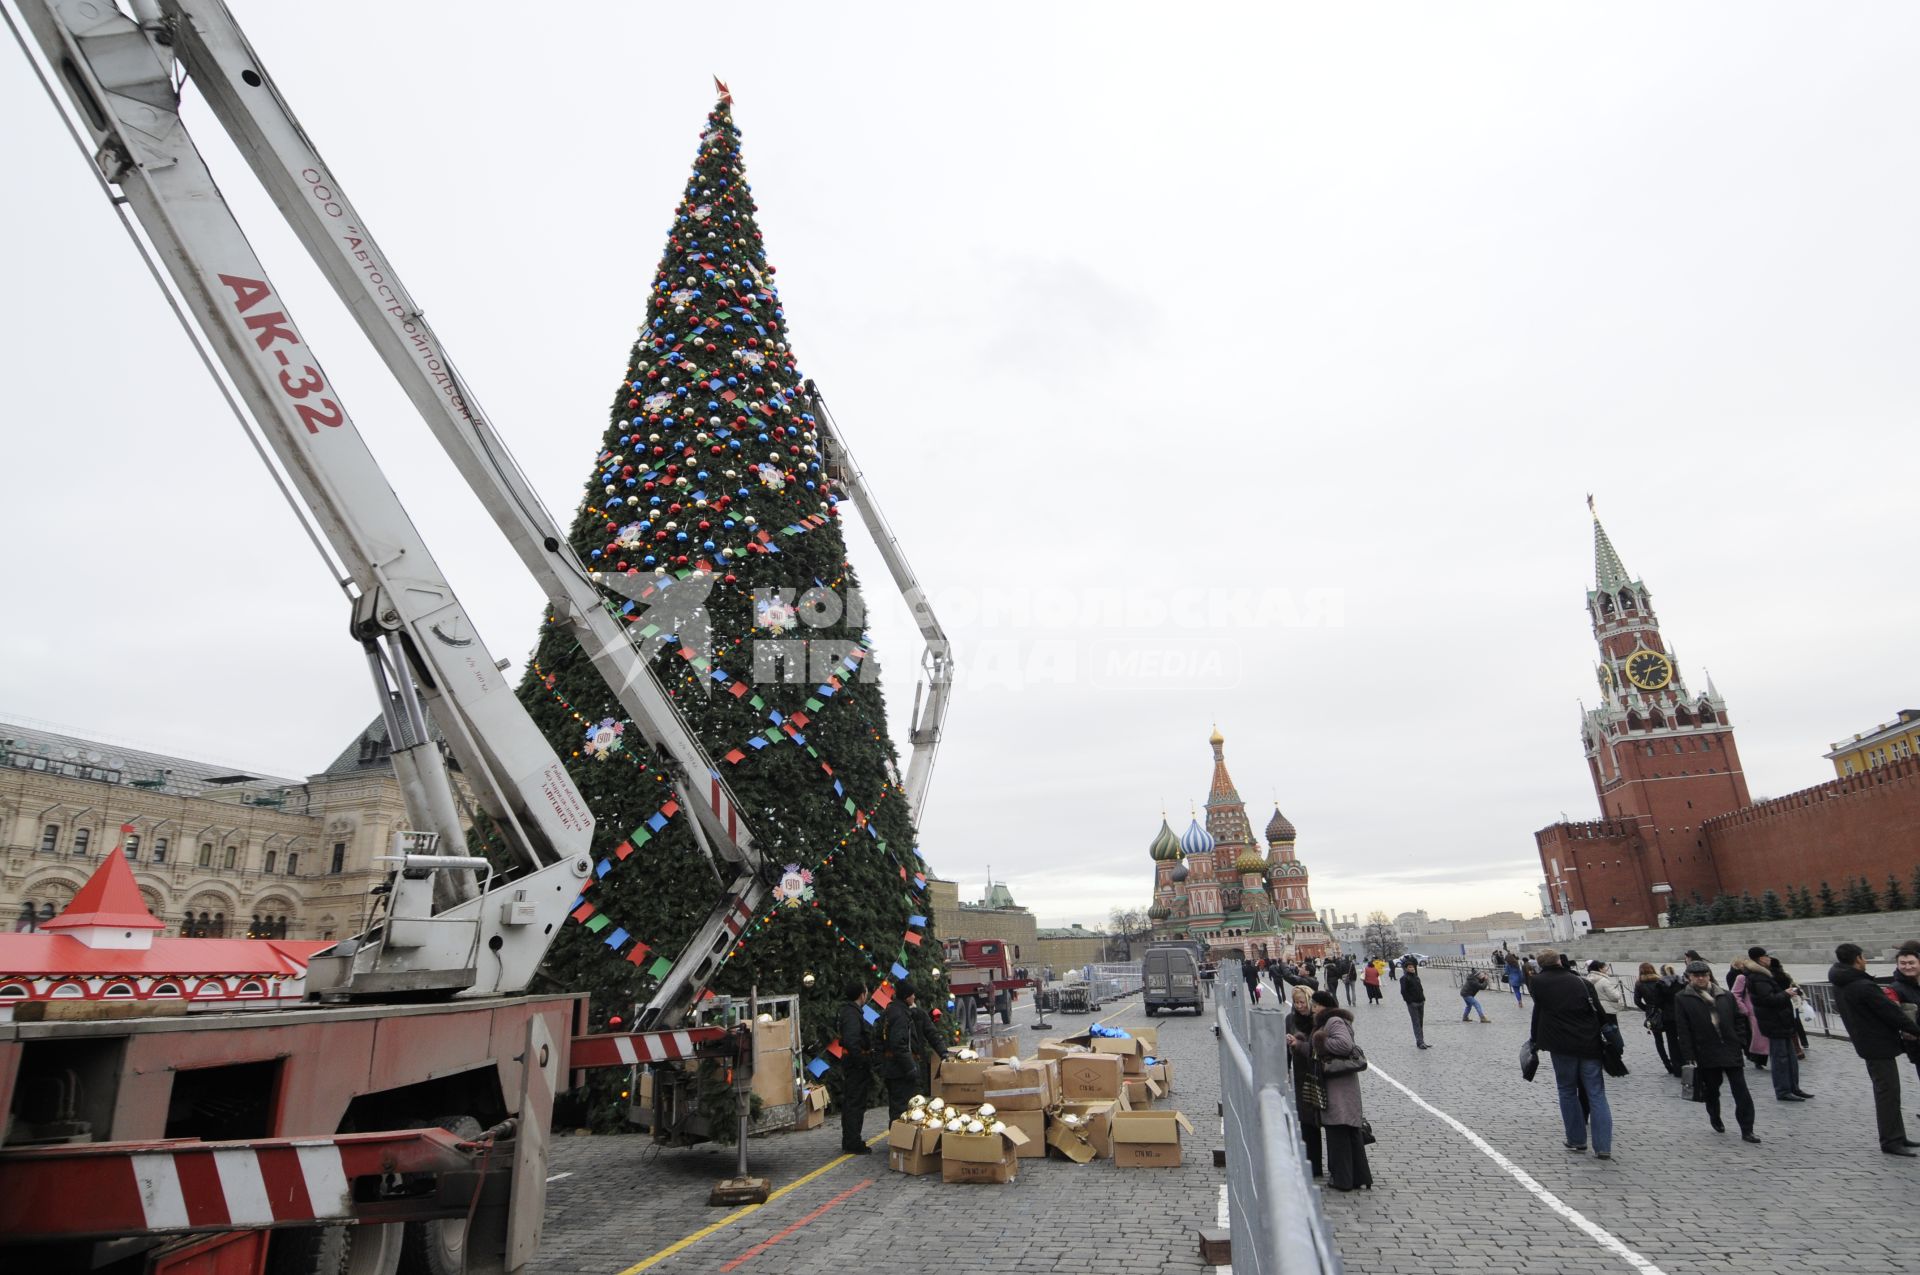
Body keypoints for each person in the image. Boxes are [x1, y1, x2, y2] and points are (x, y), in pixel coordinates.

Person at [1828, 941, 1920, 1156]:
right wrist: (1916, 1031)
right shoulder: (1862, 985)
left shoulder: (1842, 981)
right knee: (1888, 1094)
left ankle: (1898, 1135)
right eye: (1863, 957)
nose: (1865, 961)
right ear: (1858, 959)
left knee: (1890, 1092)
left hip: (1869, 1043)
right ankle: (1891, 1140)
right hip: (1877, 1045)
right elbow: (1891, 1013)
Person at [1529, 948, 1613, 1159]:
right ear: (1560, 961)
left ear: (1541, 964)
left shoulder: (1538, 983)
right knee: (1596, 1093)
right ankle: (1603, 1147)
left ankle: (1576, 1139)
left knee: (1567, 1090)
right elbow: (1600, 1013)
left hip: (1561, 1044)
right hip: (1589, 1042)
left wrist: (1535, 1039)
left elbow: (1539, 1009)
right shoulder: (1581, 982)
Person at [1670, 960, 1761, 1143]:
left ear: (1709, 975)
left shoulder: (1725, 995)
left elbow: (1738, 1019)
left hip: (1730, 1048)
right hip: (1705, 1051)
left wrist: (1740, 1040)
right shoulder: (1683, 998)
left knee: (1741, 1091)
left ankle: (1747, 1129)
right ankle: (1714, 1115)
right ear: (1689, 978)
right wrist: (1689, 1055)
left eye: (1704, 974)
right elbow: (1683, 1028)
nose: (1701, 978)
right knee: (1712, 1089)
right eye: (1697, 976)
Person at [1310, 989, 1372, 1191]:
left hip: (1339, 1084)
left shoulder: (1333, 1021)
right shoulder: (1332, 1021)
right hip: (1342, 1085)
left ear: (1324, 1006)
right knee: (1349, 1131)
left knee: (1338, 1131)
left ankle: (1343, 1179)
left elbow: (1344, 1045)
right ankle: (1358, 1177)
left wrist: (1320, 1041)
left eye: (1316, 1005)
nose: (1313, 1009)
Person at [1741, 946, 1811, 1101]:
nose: (1769, 959)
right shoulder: (1758, 977)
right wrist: (1785, 994)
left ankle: (1794, 1087)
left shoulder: (1766, 974)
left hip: (1781, 1020)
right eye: (1766, 956)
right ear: (1760, 958)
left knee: (1790, 1057)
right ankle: (1783, 1090)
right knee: (1780, 1058)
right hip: (1773, 1021)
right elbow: (1767, 999)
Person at [1284, 984, 1324, 1177]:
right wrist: (1285, 1069)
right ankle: (1313, 1165)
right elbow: (1285, 1050)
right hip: (1301, 1073)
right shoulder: (1290, 1020)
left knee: (1324, 1118)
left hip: (1319, 1071)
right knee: (1306, 1120)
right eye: (1296, 1002)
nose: (1299, 1006)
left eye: (1302, 1002)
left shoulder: (1318, 1019)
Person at [832, 980, 873, 1153]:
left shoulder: (852, 1012)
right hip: (855, 1064)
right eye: (866, 991)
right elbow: (851, 1040)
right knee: (854, 1103)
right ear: (861, 995)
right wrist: (861, 1060)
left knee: (854, 1102)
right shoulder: (851, 1014)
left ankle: (851, 1139)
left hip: (855, 1062)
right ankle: (852, 1141)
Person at [879, 985, 925, 1123]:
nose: (914, 997)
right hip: (899, 1069)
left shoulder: (891, 1011)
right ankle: (899, 1138)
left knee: (896, 1105)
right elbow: (898, 1043)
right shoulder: (900, 1015)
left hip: (892, 1067)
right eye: (912, 994)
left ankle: (898, 1137)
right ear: (906, 997)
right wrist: (910, 1067)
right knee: (901, 1107)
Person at [1633, 961, 1680, 1076]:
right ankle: (1677, 1062)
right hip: (1665, 1011)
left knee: (1659, 1041)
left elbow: (1637, 1001)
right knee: (1672, 1038)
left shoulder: (1639, 984)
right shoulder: (1660, 981)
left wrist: (1647, 1009)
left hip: (1651, 1013)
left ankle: (1668, 1065)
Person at [1727, 957, 1771, 1073]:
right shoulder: (1742, 978)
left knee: (1766, 1036)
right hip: (1752, 1011)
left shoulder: (1764, 976)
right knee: (1758, 1037)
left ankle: (1767, 1057)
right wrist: (1744, 1009)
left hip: (1765, 1009)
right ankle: (1758, 1059)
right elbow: (1735, 994)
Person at [1890, 940, 1920, 1087]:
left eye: (1911, 963)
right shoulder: (1895, 988)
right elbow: (1896, 1017)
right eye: (1903, 963)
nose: (1907, 967)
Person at [1586, 960, 1629, 1061]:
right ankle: (1616, 1056)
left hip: (1595, 1009)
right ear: (1600, 968)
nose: (1606, 970)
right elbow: (1615, 996)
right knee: (1613, 1034)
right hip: (1608, 1010)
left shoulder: (1588, 979)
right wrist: (1618, 993)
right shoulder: (1604, 980)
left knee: (1598, 1034)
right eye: (1605, 968)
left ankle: (1602, 1055)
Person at [1400, 956, 1430, 1048]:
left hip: (1420, 1002)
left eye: (1412, 967)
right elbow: (1403, 992)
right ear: (1406, 969)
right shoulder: (1404, 978)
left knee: (1420, 1022)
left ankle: (1421, 1041)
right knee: (1416, 1023)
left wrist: (1423, 998)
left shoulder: (1416, 977)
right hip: (1413, 1004)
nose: (1412, 968)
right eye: (1409, 967)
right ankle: (1420, 1042)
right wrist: (1410, 1001)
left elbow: (1420, 988)